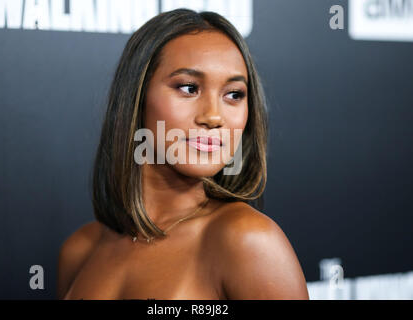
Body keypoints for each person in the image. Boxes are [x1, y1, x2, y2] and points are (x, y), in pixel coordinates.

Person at [57, 8, 309, 300]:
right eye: (189, 88)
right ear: (137, 97)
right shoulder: (79, 249)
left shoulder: (246, 240)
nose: (214, 117)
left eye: (234, 94)